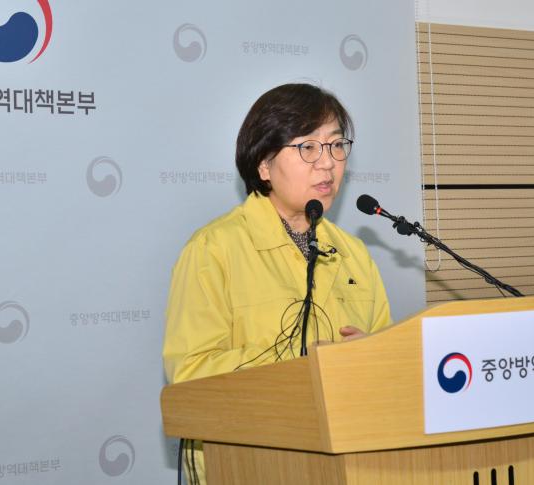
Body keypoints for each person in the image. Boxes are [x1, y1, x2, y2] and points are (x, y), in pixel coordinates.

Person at [162, 83, 391, 484]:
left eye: (337, 145)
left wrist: (372, 358)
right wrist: (306, 365)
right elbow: (191, 374)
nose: (328, 163)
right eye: (308, 147)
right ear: (264, 165)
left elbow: (387, 357)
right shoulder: (214, 249)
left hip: (346, 463)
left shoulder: (353, 253)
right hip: (247, 465)